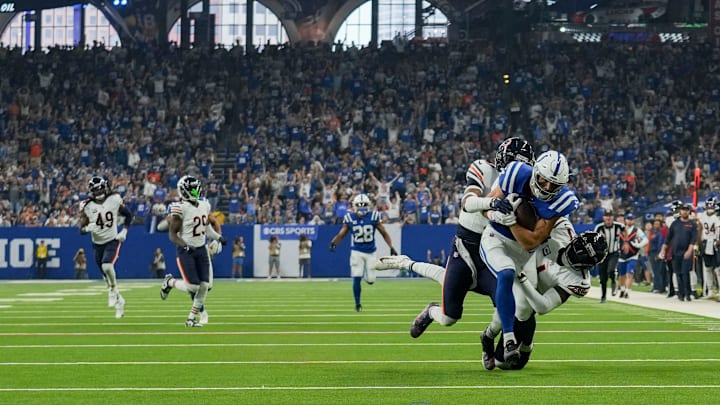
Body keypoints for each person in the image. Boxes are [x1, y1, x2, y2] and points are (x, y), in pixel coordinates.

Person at [376, 218, 607, 370]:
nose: (571, 256)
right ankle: (484, 335)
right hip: (513, 264)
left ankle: (490, 338)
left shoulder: (578, 280)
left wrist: (523, 278)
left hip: (526, 287)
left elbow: (543, 307)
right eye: (574, 250)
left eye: (579, 258)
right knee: (459, 302)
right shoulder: (560, 228)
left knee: (511, 356)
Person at [374, 138, 535, 335]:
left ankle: (495, 345)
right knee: (449, 317)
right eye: (517, 164)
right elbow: (467, 202)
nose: (522, 171)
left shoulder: (527, 184)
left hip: (495, 249)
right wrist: (491, 204)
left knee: (509, 305)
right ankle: (410, 272)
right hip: (467, 246)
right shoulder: (484, 169)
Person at [479, 150, 579, 367]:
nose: (548, 188)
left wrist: (512, 221)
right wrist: (497, 213)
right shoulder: (515, 173)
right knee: (509, 285)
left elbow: (532, 241)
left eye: (555, 185)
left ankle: (513, 346)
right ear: (535, 172)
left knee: (524, 309)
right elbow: (484, 207)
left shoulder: (563, 201)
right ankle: (500, 339)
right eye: (545, 180)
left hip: (529, 252)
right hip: (499, 240)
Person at [159, 175, 226, 327]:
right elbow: (172, 234)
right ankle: (170, 282)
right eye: (193, 189)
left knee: (206, 286)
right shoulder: (180, 208)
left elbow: (209, 225)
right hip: (187, 250)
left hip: (201, 248)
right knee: (194, 287)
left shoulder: (204, 205)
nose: (197, 191)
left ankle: (191, 318)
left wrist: (217, 238)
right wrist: (185, 246)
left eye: (197, 188)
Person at [329, 193, 398, 312]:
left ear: (369, 205)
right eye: (359, 205)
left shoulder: (374, 216)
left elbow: (384, 233)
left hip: (371, 252)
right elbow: (342, 234)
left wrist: (391, 247)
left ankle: (367, 273)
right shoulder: (350, 218)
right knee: (356, 276)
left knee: (371, 280)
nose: (361, 208)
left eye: (364, 205)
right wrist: (333, 243)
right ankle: (357, 304)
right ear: (354, 206)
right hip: (357, 252)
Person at [79, 176, 133, 319]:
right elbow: (81, 229)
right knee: (105, 276)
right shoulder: (87, 205)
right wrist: (87, 229)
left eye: (100, 188)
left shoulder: (114, 199)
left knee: (107, 266)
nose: (98, 191)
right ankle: (119, 302)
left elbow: (128, 215)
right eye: (95, 189)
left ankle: (113, 290)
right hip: (97, 244)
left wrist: (124, 231)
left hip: (112, 240)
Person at [658, 203, 699, 302]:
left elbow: (693, 239)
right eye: (683, 209)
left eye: (686, 210)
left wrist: (689, 251)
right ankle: (681, 293)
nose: (684, 211)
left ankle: (687, 293)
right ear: (680, 211)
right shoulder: (675, 224)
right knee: (678, 273)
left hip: (686, 252)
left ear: (689, 211)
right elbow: (668, 238)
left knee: (685, 272)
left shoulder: (692, 224)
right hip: (676, 252)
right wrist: (663, 249)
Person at [593, 209, 624, 302]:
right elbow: (593, 240)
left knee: (611, 270)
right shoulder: (599, 227)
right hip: (602, 254)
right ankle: (603, 296)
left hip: (614, 253)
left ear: (612, 218)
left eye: (610, 217)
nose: (608, 219)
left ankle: (614, 281)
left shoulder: (619, 226)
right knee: (603, 277)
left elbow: (627, 232)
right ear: (604, 218)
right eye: (607, 217)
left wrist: (624, 243)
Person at [617, 213, 648, 299]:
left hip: (633, 255)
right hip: (622, 256)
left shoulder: (637, 230)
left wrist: (638, 245)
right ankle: (622, 289)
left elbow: (645, 240)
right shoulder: (620, 229)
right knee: (621, 275)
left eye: (631, 219)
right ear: (625, 220)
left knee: (629, 273)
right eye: (628, 219)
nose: (630, 221)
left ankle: (627, 291)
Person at [697, 197, 720, 298]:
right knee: (707, 268)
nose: (710, 208)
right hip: (706, 243)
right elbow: (700, 229)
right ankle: (710, 290)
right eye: (708, 205)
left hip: (715, 242)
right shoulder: (702, 216)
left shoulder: (717, 217)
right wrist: (698, 243)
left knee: (718, 268)